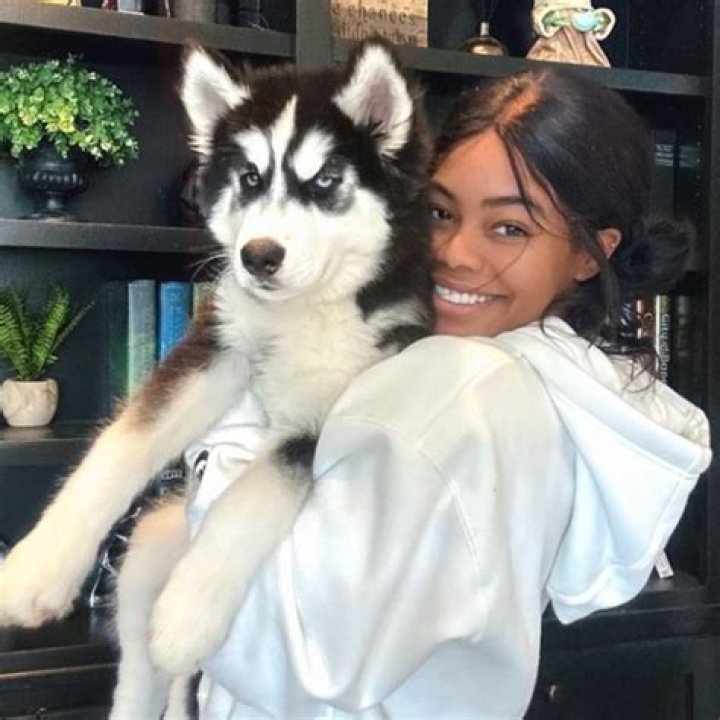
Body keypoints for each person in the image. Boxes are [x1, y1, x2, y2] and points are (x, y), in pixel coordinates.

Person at [180, 67, 711, 718]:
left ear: (587, 254)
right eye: (440, 213)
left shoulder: (458, 387)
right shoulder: (559, 376)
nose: (455, 253)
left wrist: (225, 422)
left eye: (509, 228)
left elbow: (297, 652)